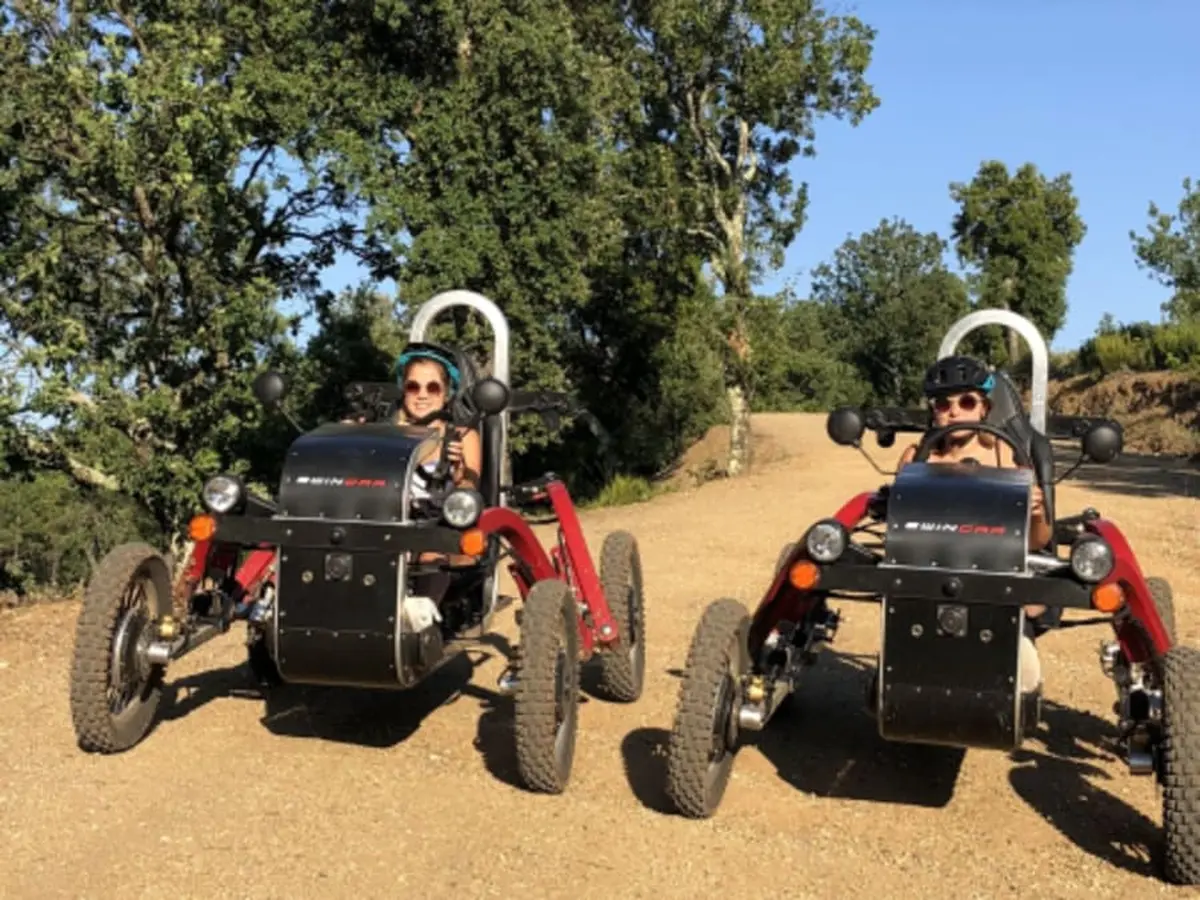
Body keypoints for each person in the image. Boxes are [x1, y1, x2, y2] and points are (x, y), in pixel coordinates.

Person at [896, 354, 1052, 694]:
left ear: (984, 408)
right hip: (928, 574)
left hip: (996, 574)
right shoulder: (917, 457)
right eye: (942, 403)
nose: (954, 411)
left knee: (1025, 680)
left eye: (966, 402)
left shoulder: (1009, 457)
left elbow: (1038, 542)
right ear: (933, 410)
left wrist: (1037, 513)